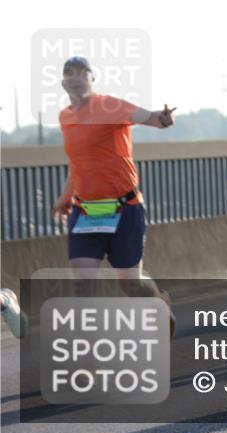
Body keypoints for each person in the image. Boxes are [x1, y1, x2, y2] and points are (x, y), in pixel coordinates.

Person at [50, 57, 178, 335]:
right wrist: (65, 195)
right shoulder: (65, 117)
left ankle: (158, 300)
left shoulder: (110, 106)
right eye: (69, 73)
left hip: (124, 208)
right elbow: (78, 161)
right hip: (85, 211)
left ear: (92, 78)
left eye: (82, 73)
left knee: (131, 284)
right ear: (63, 82)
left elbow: (152, 118)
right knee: (83, 284)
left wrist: (164, 119)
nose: (76, 78)